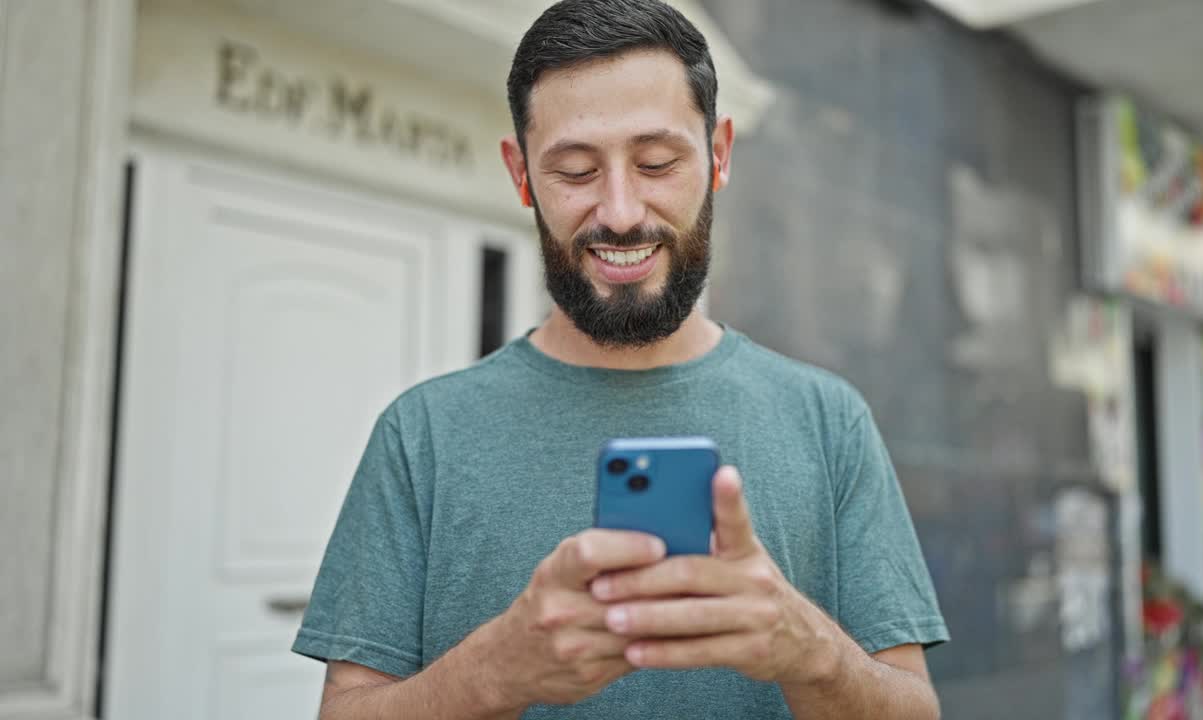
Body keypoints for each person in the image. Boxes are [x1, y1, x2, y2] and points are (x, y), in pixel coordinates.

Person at [292, 0, 949, 717]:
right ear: (520, 175)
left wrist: (809, 651)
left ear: (719, 154)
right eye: (574, 171)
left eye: (657, 162)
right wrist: (494, 669)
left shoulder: (830, 422)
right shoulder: (421, 434)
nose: (621, 211)